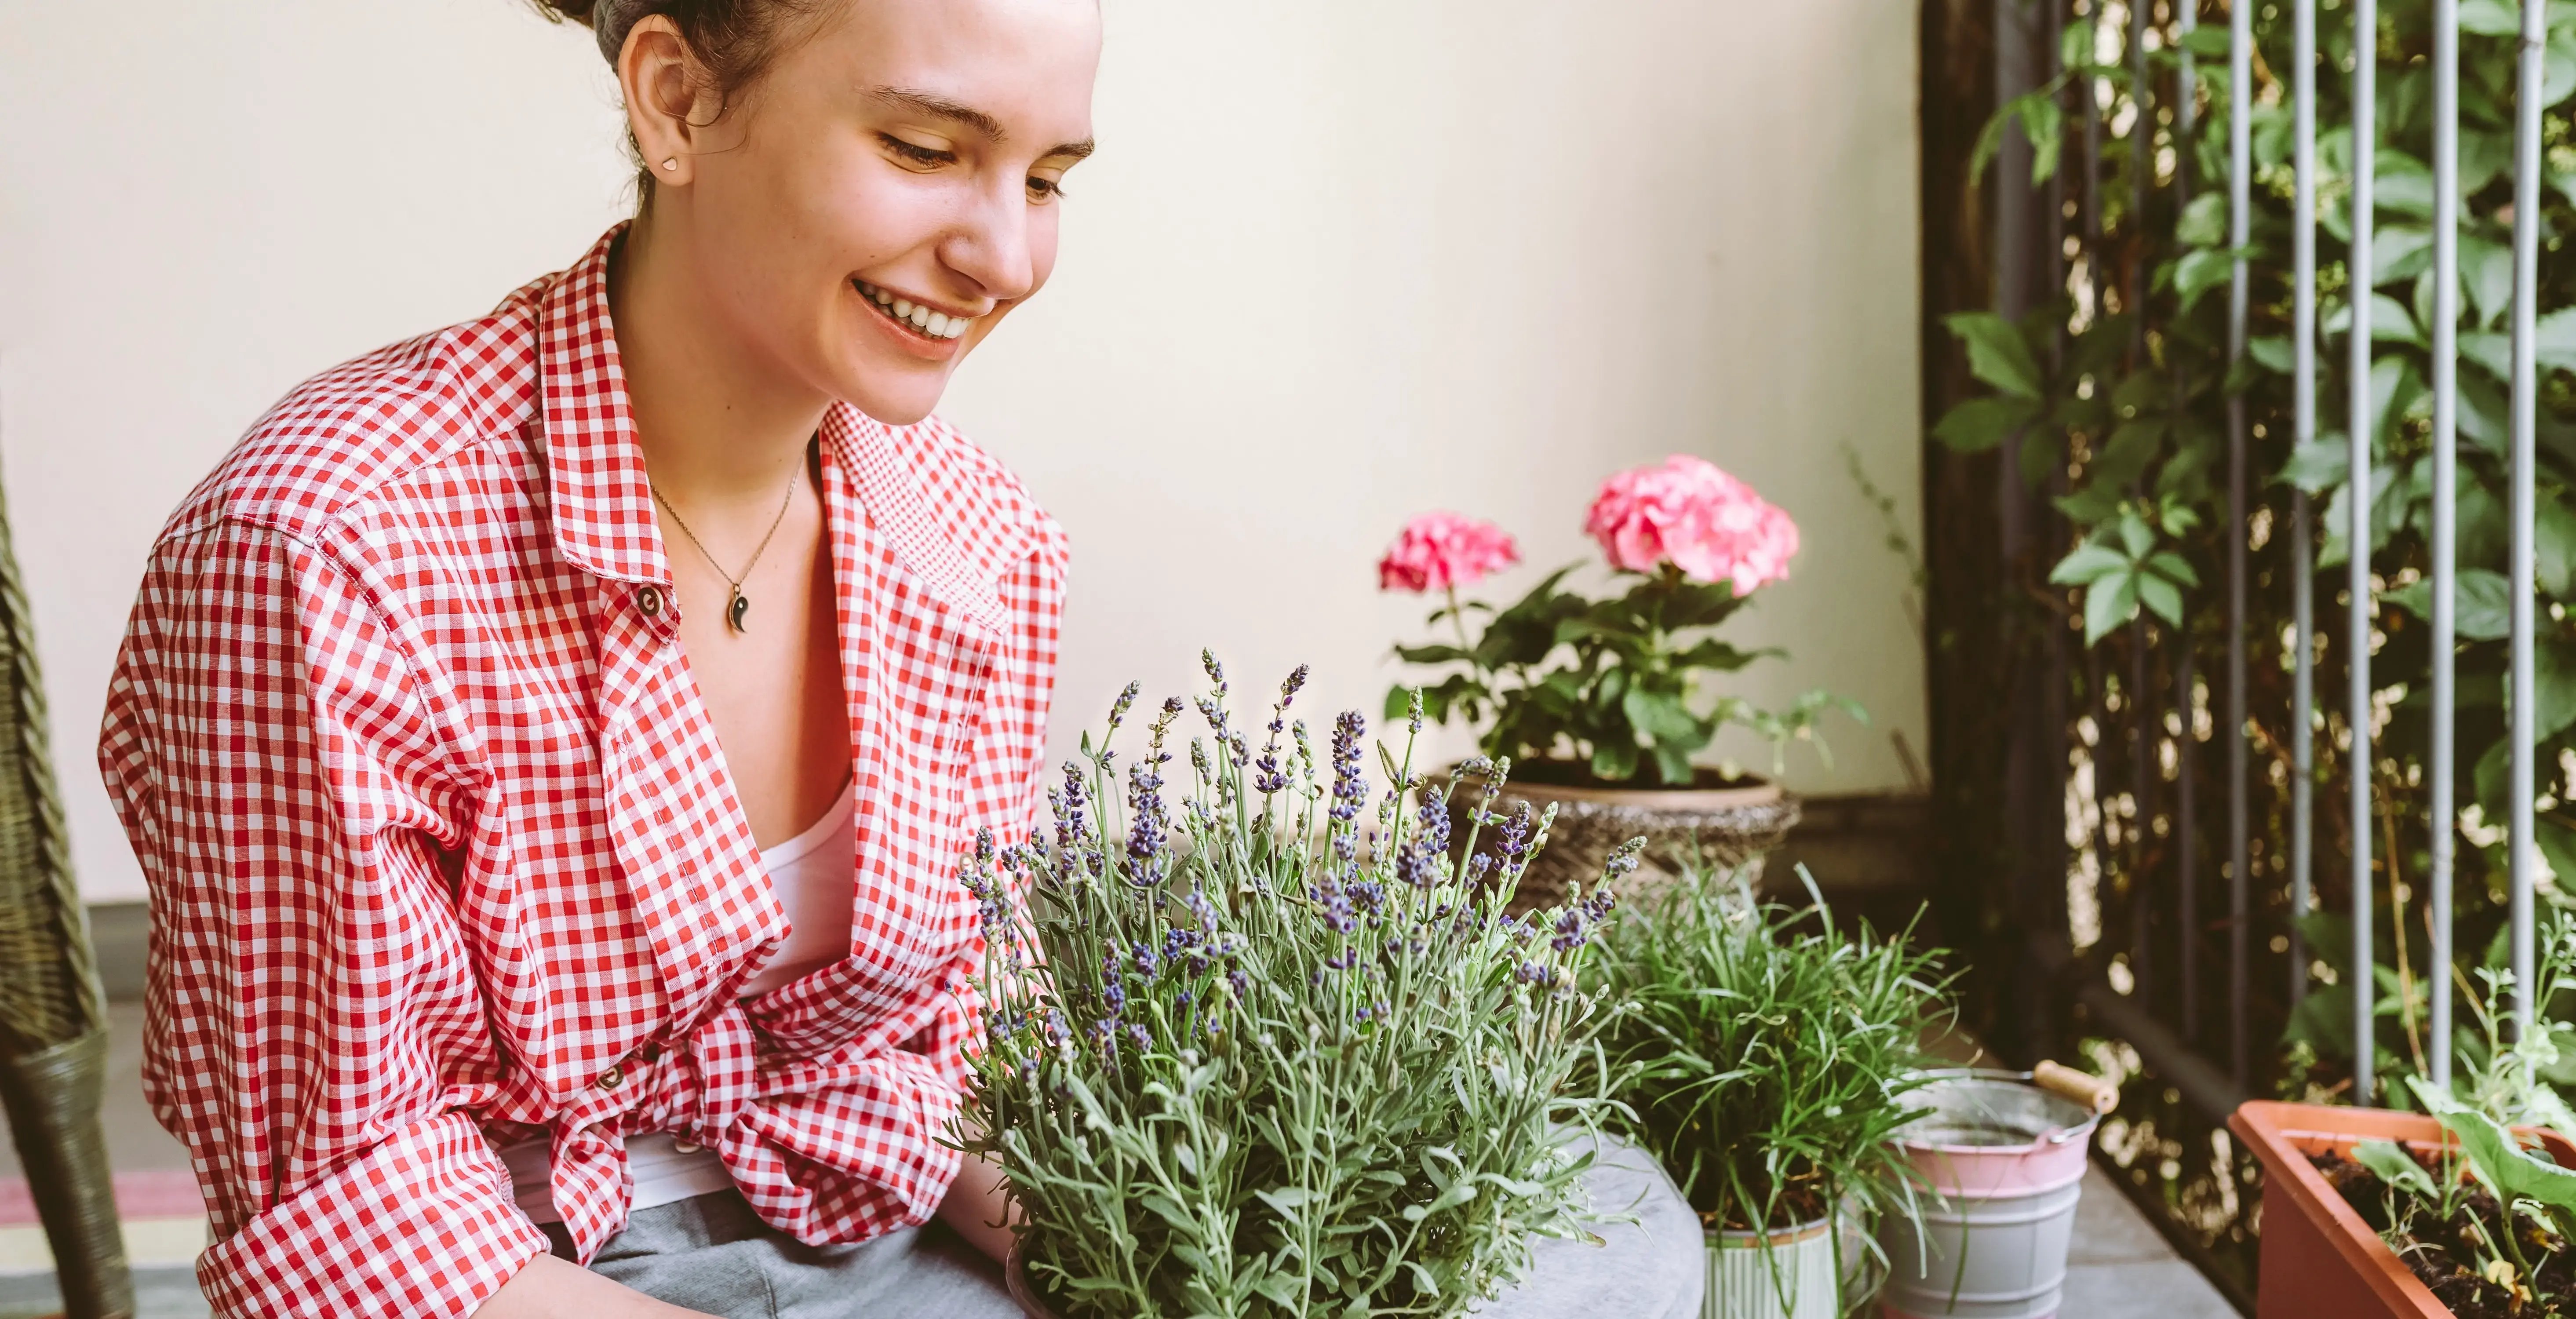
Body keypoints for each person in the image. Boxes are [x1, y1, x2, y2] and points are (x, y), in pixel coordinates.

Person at [95, 2, 1703, 1316]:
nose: (1004, 257)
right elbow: (348, 1217)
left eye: (1051, 177)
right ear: (675, 100)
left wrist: (1151, 1256)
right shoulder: (326, 550)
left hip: (889, 1225)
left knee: (1603, 1228)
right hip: (540, 1278)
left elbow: (952, 1051)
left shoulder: (975, 540)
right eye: (927, 149)